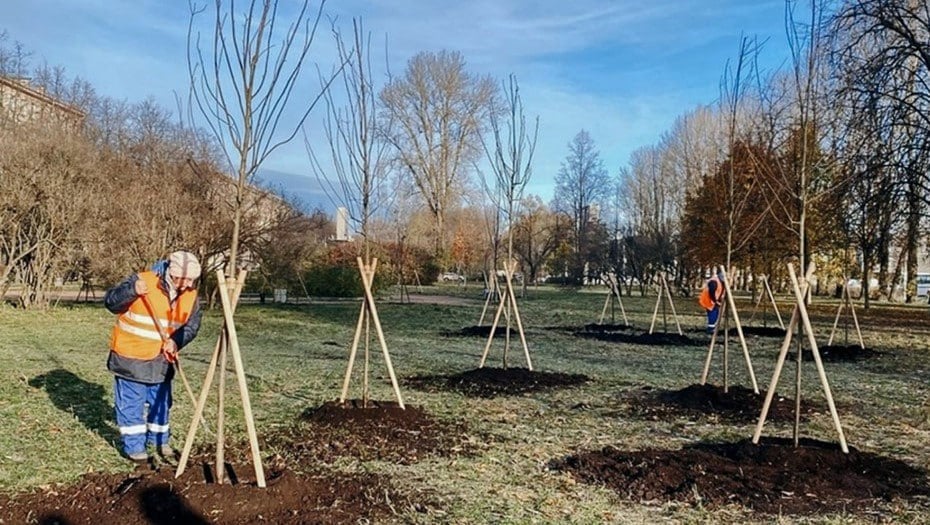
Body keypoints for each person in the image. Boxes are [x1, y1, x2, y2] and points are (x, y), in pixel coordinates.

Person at [104, 251, 202, 462]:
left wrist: (176, 340)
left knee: (161, 402)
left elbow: (192, 325)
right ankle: (135, 448)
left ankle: (159, 440)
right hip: (131, 358)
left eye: (192, 281)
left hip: (162, 360)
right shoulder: (142, 281)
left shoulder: (190, 294)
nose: (187, 285)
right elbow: (111, 302)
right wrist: (131, 291)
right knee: (132, 404)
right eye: (185, 280)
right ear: (172, 274)